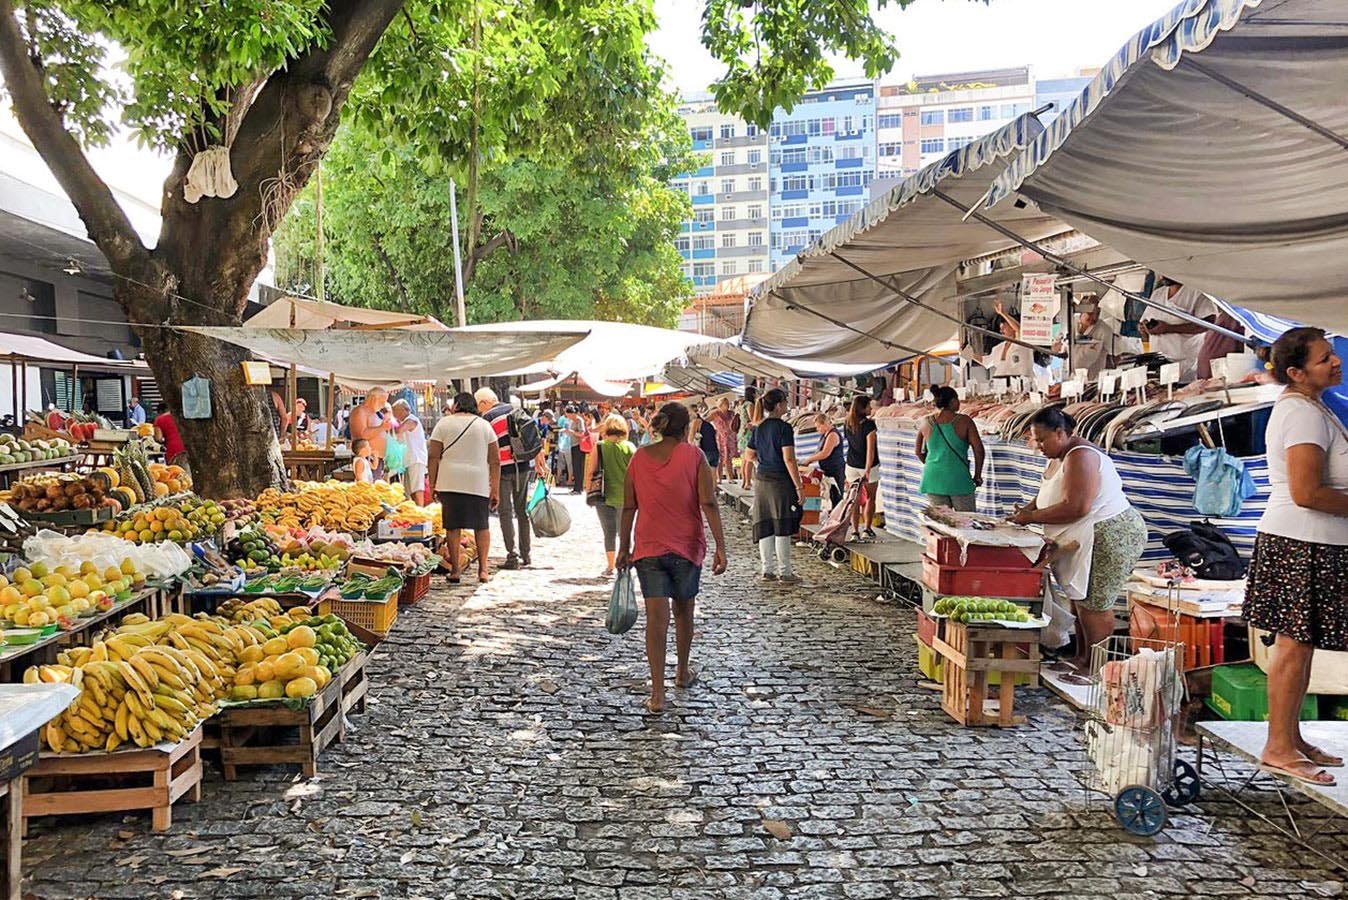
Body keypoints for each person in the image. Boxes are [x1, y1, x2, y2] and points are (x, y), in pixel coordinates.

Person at [1242, 327, 1348, 786]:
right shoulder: (1302, 416)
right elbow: (1307, 492)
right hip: (1300, 541)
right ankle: (1278, 746)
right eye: (1325, 359)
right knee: (1293, 646)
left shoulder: (1312, 407)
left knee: (1299, 647)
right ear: (1295, 372)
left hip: (1310, 541)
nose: (1336, 362)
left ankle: (1291, 736)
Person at [1010, 407, 1147, 675]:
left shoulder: (1081, 456)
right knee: (1079, 598)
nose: (1038, 446)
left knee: (1095, 602)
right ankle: (1081, 657)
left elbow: (1077, 506)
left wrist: (1031, 517)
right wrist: (1024, 513)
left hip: (1109, 534)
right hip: (1082, 536)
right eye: (1035, 440)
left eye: (1042, 440)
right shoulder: (1058, 457)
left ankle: (1097, 668)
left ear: (1060, 433)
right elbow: (1046, 495)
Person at [616, 402, 728, 715]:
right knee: (683, 612)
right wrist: (721, 546)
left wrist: (623, 546)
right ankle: (681, 672)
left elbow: (628, 506)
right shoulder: (695, 456)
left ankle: (657, 694)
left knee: (656, 620)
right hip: (687, 547)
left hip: (648, 547)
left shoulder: (639, 458)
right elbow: (708, 501)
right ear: (685, 427)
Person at [429, 392, 500, 584]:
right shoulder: (484, 426)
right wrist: (495, 488)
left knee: (453, 526)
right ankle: (483, 570)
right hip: (477, 481)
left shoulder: (444, 424)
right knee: (481, 525)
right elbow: (495, 460)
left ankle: (455, 571)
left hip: (450, 480)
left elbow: (433, 456)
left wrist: (433, 484)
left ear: (457, 405)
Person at [477, 387, 544, 570]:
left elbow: (487, 449)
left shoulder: (488, 418)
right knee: (522, 511)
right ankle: (526, 553)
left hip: (503, 470)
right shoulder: (516, 409)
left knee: (505, 512)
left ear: (484, 402)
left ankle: (512, 554)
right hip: (522, 467)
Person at [745, 388, 805, 583]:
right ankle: (785, 572)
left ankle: (767, 570)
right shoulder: (784, 428)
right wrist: (799, 486)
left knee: (765, 525)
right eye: (786, 402)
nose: (787, 406)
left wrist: (761, 464)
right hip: (780, 482)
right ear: (779, 405)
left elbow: (748, 455)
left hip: (762, 482)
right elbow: (789, 458)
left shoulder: (758, 427)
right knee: (782, 525)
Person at [915, 386, 984, 512]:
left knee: (942, 524)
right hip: (958, 478)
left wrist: (935, 464)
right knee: (966, 523)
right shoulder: (965, 421)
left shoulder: (925, 421)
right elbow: (978, 450)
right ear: (952, 402)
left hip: (933, 478)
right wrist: (977, 475)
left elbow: (918, 452)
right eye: (957, 400)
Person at [584, 414, 636, 576]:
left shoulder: (599, 446)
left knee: (609, 532)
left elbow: (591, 471)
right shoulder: (630, 447)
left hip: (603, 495)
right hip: (625, 497)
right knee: (625, 533)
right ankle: (626, 562)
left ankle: (610, 565)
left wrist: (588, 489)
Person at [1140, 278, 1218, 382]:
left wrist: (1169, 328)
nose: (1162, 277)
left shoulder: (1196, 292)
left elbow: (1209, 324)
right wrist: (1143, 327)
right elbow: (1144, 320)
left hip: (1185, 363)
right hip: (1158, 363)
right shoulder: (1157, 294)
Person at [843, 395, 880, 540]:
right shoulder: (869, 425)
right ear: (862, 408)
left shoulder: (848, 423)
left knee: (855, 500)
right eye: (869, 406)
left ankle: (855, 531)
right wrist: (868, 469)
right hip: (867, 466)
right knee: (871, 498)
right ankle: (867, 529)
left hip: (851, 465)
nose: (871, 408)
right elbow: (870, 450)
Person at [799, 412, 845, 507]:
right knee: (831, 495)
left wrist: (809, 460)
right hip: (828, 470)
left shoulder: (832, 435)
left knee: (837, 496)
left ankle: (838, 518)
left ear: (825, 424)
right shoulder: (825, 435)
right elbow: (818, 451)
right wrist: (807, 460)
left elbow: (825, 453)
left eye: (818, 427)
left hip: (835, 470)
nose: (817, 429)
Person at [392, 399, 428, 505]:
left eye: (395, 411)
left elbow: (399, 430)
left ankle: (420, 509)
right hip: (408, 460)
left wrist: (393, 422)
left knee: (417, 488)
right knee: (408, 490)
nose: (394, 414)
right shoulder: (404, 421)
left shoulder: (411, 419)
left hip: (416, 459)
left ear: (404, 410)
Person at [349, 388, 394, 474]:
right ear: (374, 398)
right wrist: (382, 427)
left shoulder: (374, 413)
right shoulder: (360, 411)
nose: (383, 404)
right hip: (367, 458)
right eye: (382, 401)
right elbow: (361, 435)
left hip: (376, 459)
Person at [706, 397, 737, 484]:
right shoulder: (715, 413)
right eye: (724, 404)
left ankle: (730, 477)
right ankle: (718, 478)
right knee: (719, 458)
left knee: (729, 458)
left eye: (727, 403)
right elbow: (705, 421)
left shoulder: (731, 413)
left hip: (730, 437)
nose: (726, 406)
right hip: (720, 437)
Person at [153, 402, 189, 470]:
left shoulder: (159, 420)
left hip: (173, 449)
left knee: (175, 473)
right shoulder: (184, 417)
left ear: (160, 411)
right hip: (187, 447)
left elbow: (158, 438)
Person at [738, 387, 758, 489]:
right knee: (749, 460)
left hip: (742, 433)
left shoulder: (742, 405)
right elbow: (752, 419)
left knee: (744, 460)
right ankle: (747, 482)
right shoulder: (750, 405)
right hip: (748, 434)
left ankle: (744, 481)